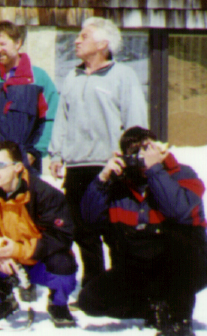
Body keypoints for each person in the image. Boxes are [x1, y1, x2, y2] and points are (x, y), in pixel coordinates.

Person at [79, 127, 207, 336]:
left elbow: (179, 211)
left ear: (159, 150)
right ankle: (155, 308)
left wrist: (155, 170)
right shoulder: (119, 184)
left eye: (146, 149)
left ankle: (178, 321)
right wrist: (103, 179)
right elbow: (89, 219)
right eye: (134, 152)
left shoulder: (183, 174)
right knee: (90, 300)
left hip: (185, 265)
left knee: (178, 239)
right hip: (140, 269)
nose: (141, 157)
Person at [48, 17, 147, 284]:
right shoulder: (72, 76)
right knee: (82, 231)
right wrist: (56, 154)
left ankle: (122, 286)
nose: (77, 40)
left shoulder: (123, 76)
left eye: (84, 36)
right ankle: (94, 287)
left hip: (110, 167)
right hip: (77, 166)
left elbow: (136, 121)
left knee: (114, 230)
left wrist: (132, 158)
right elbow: (62, 118)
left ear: (103, 43)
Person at [0, 141, 77, 329]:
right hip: (6, 263)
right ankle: (3, 300)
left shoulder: (45, 194)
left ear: (18, 167)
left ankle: (57, 304)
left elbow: (61, 236)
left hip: (39, 261)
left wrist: (18, 250)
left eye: (0, 165)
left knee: (64, 263)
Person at [0, 21, 57, 176]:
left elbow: (50, 119)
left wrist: (35, 152)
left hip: (24, 168)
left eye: (3, 44)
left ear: (18, 43)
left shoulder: (38, 78)